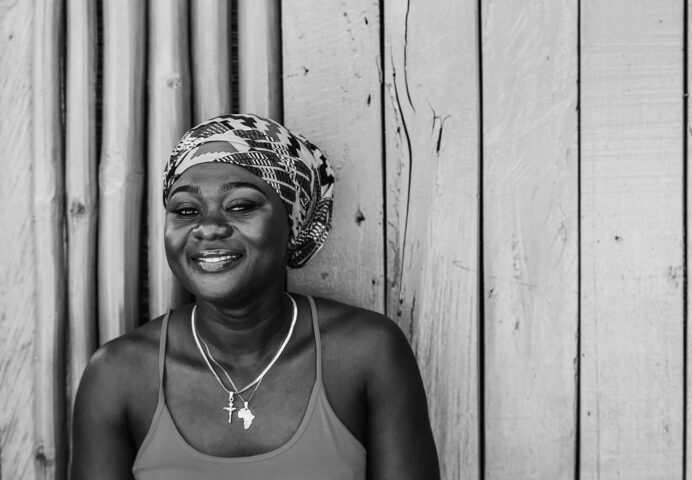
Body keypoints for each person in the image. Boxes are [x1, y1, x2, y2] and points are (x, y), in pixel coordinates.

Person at [70, 114, 440, 479]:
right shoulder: (119, 375)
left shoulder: (366, 353)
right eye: (185, 210)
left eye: (241, 206)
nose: (209, 227)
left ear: (292, 223)